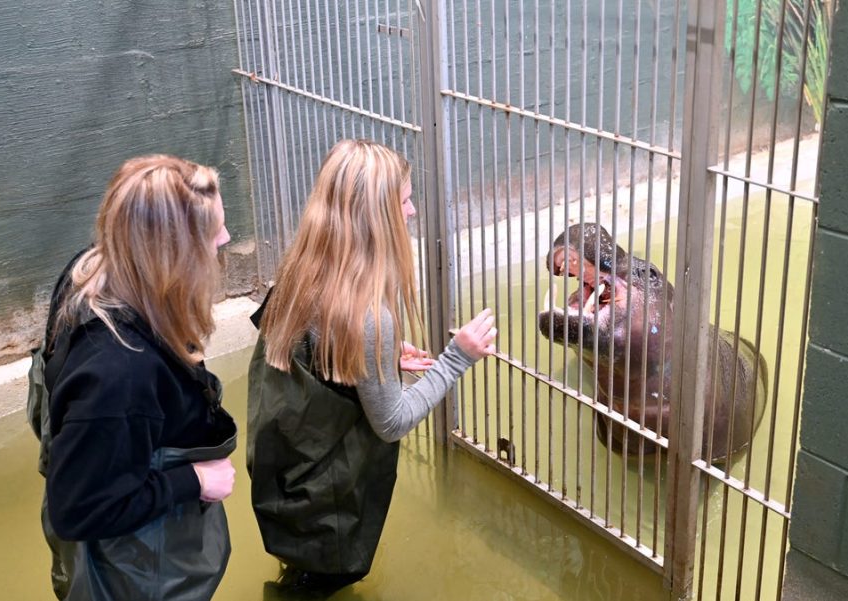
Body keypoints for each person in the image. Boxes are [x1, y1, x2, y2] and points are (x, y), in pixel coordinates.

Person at [247, 139, 497, 596]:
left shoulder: (298, 273)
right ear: (376, 215)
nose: (413, 211)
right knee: (315, 587)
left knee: (300, 578)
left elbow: (309, 355)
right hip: (329, 506)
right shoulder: (368, 318)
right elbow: (391, 422)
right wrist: (456, 359)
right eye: (404, 200)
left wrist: (371, 359)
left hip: (285, 484)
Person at [26, 155, 239, 601]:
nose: (227, 238)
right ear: (173, 255)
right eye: (213, 232)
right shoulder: (121, 369)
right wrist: (194, 482)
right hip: (132, 574)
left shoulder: (91, 270)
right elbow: (78, 509)